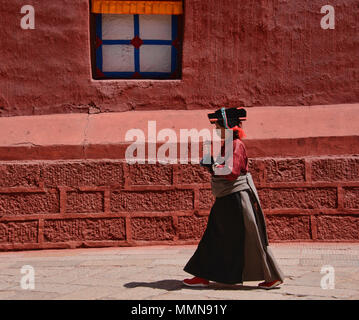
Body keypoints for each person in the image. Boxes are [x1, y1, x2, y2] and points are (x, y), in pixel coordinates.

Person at [182, 107, 285, 290]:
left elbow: (231, 172)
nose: (216, 130)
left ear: (227, 126)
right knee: (220, 235)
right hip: (229, 197)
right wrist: (212, 163)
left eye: (219, 126)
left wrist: (212, 165)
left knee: (246, 236)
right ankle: (204, 275)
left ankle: (271, 276)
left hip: (235, 198)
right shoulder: (229, 144)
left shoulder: (235, 145)